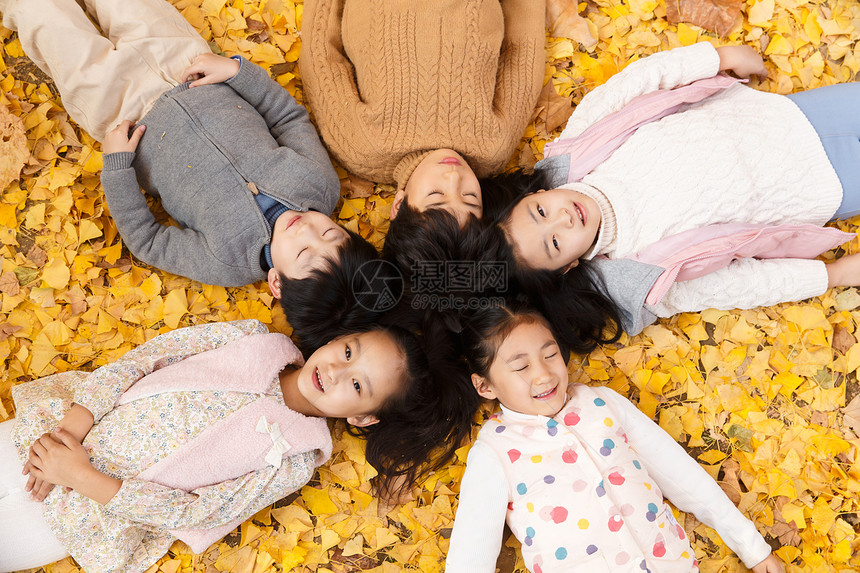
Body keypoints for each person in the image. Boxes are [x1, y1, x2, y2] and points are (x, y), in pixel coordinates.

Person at [0, 318, 463, 573]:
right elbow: (149, 357)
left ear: (363, 417)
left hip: (89, 513)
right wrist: (71, 429)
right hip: (54, 432)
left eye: (358, 385)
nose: (338, 371)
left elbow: (200, 511)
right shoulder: (253, 339)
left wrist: (81, 477)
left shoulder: (296, 457)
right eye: (348, 351)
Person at [483, 42, 860, 351]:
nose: (562, 220)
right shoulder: (648, 271)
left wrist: (718, 56)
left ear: (539, 193)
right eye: (554, 242)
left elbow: (636, 81)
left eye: (540, 211)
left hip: (793, 115)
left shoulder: (582, 148)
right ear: (568, 266)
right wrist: (832, 274)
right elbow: (740, 283)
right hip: (821, 183)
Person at [0, 0, 357, 289]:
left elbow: (149, 241)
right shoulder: (321, 185)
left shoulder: (226, 262)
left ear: (276, 281)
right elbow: (287, 119)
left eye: (303, 252)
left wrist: (118, 168)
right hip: (186, 65)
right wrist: (236, 72)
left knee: (43, 17)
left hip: (120, 107)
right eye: (329, 231)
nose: (308, 229)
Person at [445, 305, 785, 573]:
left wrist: (751, 546)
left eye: (550, 355)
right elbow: (471, 554)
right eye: (520, 367)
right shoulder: (494, 451)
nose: (544, 373)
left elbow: (679, 474)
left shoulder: (601, 403)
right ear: (485, 386)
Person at [298, 0, 546, 226]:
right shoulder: (493, 147)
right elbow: (523, 53)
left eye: (436, 195)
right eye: (471, 197)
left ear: (399, 204)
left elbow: (320, 58)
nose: (453, 176)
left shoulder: (361, 147)